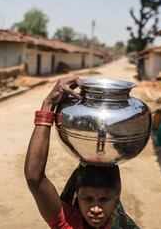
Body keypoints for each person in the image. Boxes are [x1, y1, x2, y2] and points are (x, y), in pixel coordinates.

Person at [25, 75, 139, 229]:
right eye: (87, 198)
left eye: (104, 199)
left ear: (116, 198)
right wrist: (48, 104)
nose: (96, 209)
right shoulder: (68, 223)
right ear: (77, 195)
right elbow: (34, 178)